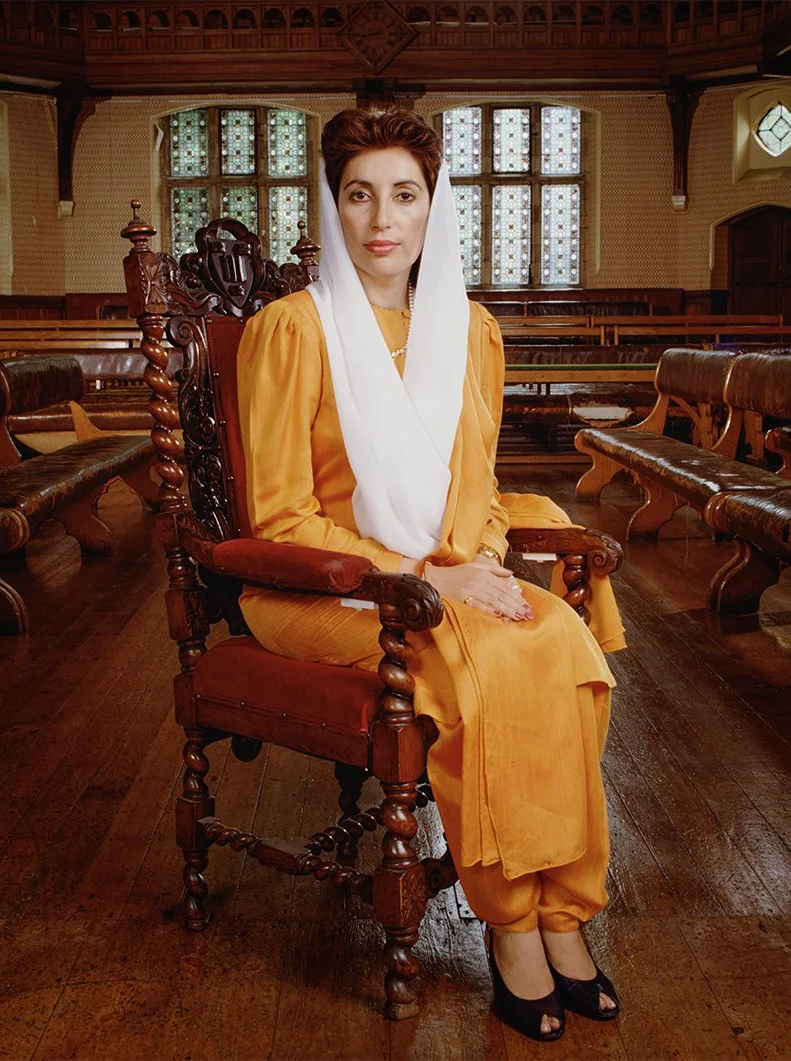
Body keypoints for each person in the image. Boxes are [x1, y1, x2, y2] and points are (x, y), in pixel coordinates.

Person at [235, 108, 626, 1041]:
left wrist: (475, 560)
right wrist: (427, 580)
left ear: (432, 207)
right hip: (321, 585)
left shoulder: (471, 330)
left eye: (404, 194)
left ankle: (563, 912)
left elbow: (478, 486)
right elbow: (282, 517)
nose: (383, 217)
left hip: (446, 567)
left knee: (563, 644)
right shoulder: (293, 329)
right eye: (360, 193)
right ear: (334, 206)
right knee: (483, 660)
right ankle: (512, 928)